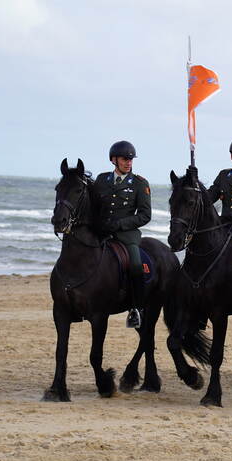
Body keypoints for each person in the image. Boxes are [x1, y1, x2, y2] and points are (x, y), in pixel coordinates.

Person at [93, 140, 151, 328]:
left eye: (131, 159)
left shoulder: (140, 183)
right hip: (102, 231)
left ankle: (137, 309)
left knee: (135, 264)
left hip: (126, 234)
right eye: (125, 159)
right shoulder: (101, 181)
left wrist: (119, 224)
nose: (128, 162)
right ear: (114, 160)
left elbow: (145, 215)